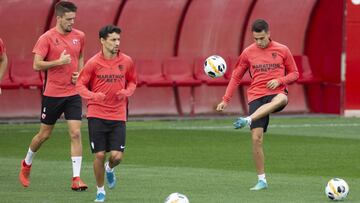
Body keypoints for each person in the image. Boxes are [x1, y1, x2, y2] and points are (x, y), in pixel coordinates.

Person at [216, 19, 299, 191]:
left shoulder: (282, 50)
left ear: (268, 33)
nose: (259, 42)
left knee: (282, 99)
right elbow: (236, 76)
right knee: (256, 138)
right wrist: (225, 99)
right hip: (256, 96)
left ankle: (248, 119)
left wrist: (279, 80)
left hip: (276, 93)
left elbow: (295, 73)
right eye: (255, 39)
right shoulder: (247, 53)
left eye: (261, 38)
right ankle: (262, 180)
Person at [19, 1, 88, 191]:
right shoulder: (46, 38)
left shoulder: (80, 36)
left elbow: (81, 57)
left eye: (74, 19)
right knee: (44, 135)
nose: (71, 23)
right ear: (58, 18)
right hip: (53, 94)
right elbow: (36, 65)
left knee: (75, 133)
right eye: (68, 19)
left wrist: (80, 74)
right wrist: (59, 62)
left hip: (73, 93)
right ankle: (26, 164)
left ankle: (76, 179)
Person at [76, 25, 137, 202]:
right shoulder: (93, 63)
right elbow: (79, 85)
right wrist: (93, 95)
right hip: (96, 114)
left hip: (118, 114)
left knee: (116, 157)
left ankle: (110, 169)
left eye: (118, 39)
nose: (117, 43)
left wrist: (127, 92)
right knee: (100, 155)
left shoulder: (127, 61)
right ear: (102, 41)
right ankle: (100, 190)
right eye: (113, 39)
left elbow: (133, 81)